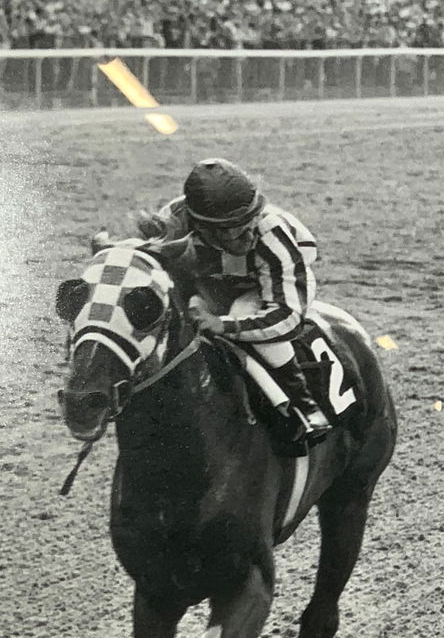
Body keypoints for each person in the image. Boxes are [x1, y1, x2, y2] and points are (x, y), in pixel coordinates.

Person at [140, 159, 332, 446]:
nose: (249, 231)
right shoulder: (173, 224)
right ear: (202, 226)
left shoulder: (271, 233)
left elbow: (286, 316)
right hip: (212, 277)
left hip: (267, 281)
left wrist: (225, 325)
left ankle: (303, 405)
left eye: (251, 218)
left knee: (241, 310)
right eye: (234, 227)